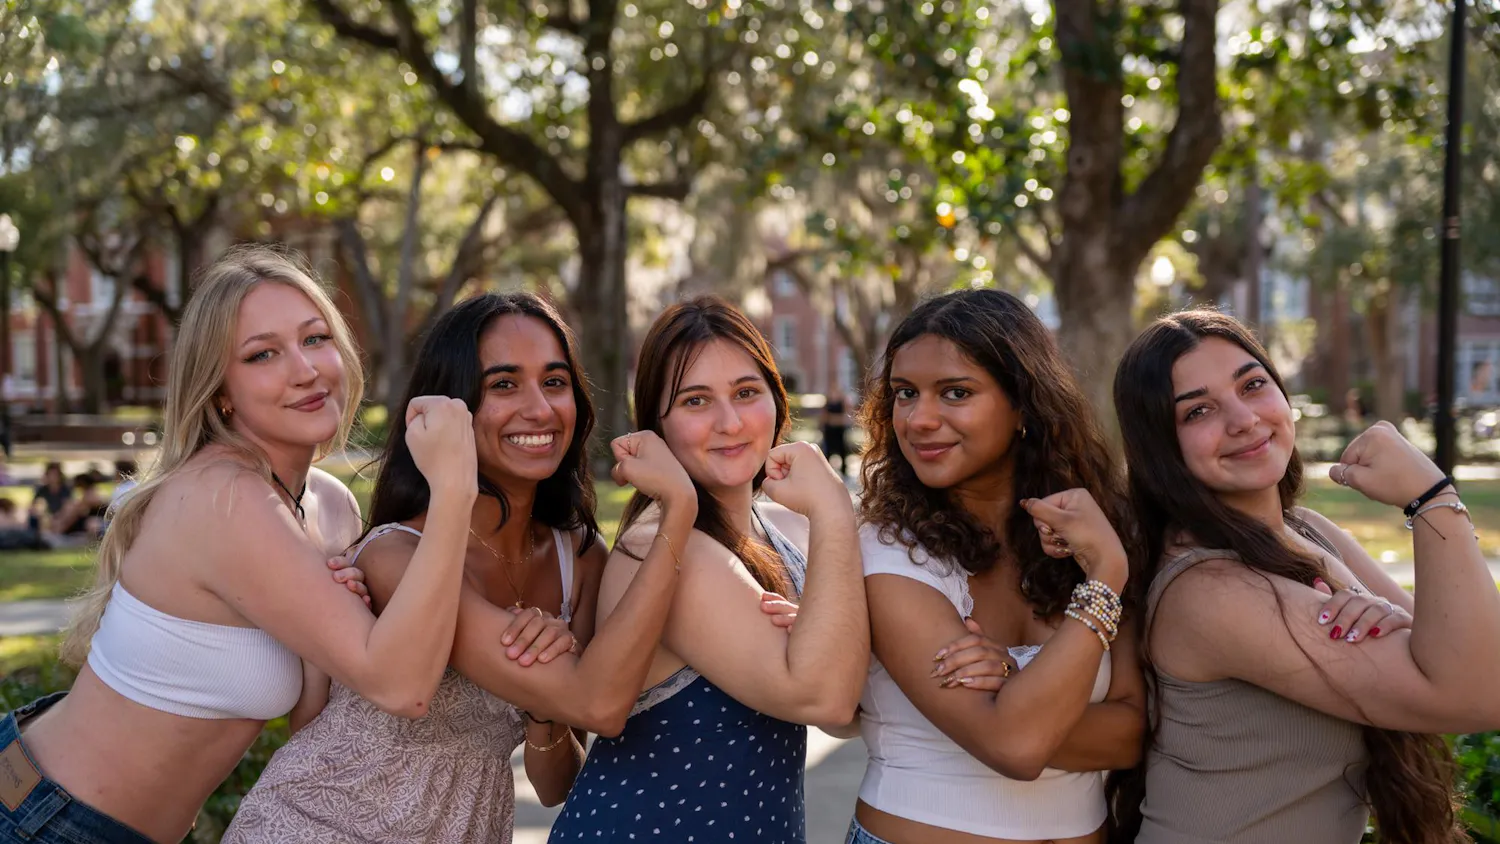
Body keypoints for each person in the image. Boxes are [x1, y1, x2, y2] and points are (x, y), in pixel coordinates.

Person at [0, 245, 471, 844]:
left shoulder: (328, 506)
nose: (304, 370)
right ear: (221, 389)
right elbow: (403, 687)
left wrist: (323, 641)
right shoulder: (224, 497)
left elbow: (314, 724)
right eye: (262, 354)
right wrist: (454, 490)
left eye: (315, 338)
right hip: (43, 819)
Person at [224, 292, 702, 843]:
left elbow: (555, 781)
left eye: (554, 381)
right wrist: (679, 509)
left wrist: (543, 706)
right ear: (453, 407)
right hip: (321, 826)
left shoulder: (581, 560)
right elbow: (601, 704)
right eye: (503, 384)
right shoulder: (395, 556)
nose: (540, 409)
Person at [1115, 309, 1500, 843]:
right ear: (1161, 448)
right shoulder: (1207, 590)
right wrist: (1433, 498)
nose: (1243, 419)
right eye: (1198, 411)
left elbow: (1468, 659)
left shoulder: (1308, 530)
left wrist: (1395, 622)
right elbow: (1477, 693)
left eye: (1252, 385)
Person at [549, 296, 869, 844]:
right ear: (658, 425)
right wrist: (834, 507)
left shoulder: (778, 530)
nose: (729, 422)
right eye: (696, 400)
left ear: (776, 399)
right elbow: (826, 699)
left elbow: (848, 713)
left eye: (747, 393)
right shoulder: (664, 548)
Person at [846, 289, 1141, 844]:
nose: (919, 419)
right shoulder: (885, 547)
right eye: (905, 393)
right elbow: (1016, 747)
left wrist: (1012, 685)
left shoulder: (1096, 527)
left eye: (955, 392)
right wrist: (1104, 579)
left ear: (1024, 403)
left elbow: (1131, 734)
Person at [28, 461, 71, 533]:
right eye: (50, 475)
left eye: (55, 475)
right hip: (46, 517)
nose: (53, 478)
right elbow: (35, 506)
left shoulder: (65, 490)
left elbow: (68, 506)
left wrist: (58, 517)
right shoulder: (42, 490)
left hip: (61, 517)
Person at [822, 387, 853, 477]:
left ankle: (844, 472)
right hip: (829, 432)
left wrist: (833, 419)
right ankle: (827, 471)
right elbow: (824, 417)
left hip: (839, 431)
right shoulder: (827, 403)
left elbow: (846, 417)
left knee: (842, 451)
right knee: (828, 452)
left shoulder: (842, 403)